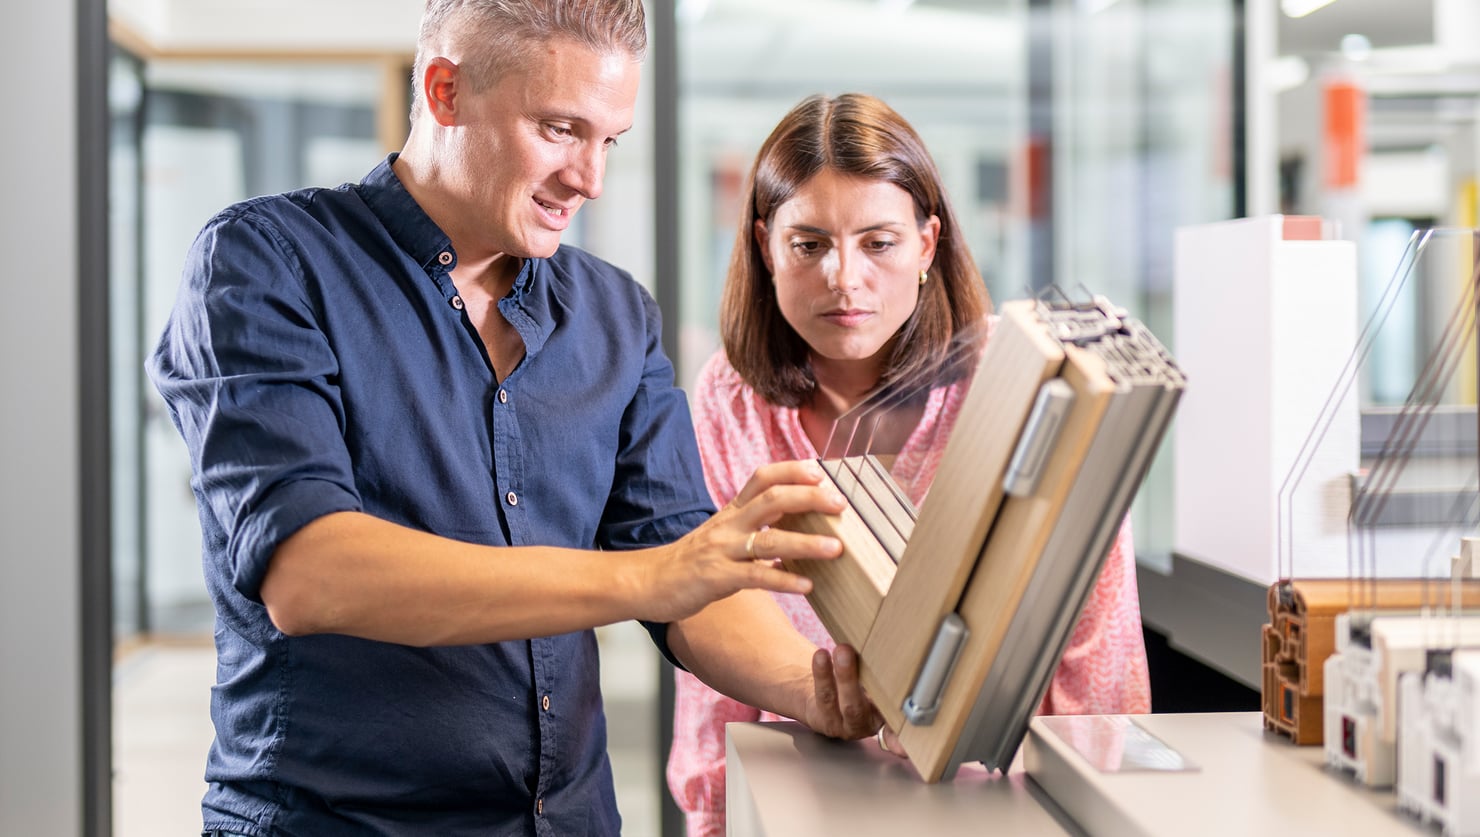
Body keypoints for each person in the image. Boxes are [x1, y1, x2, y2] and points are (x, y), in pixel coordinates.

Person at [146, 3, 886, 834]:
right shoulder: (267, 263)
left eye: (610, 140)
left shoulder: (615, 315)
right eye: (561, 128)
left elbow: (685, 572)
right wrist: (657, 575)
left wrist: (811, 686)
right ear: (446, 91)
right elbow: (313, 572)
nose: (590, 178)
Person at [666, 92, 1153, 836]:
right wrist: (713, 818)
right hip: (802, 794)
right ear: (766, 246)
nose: (844, 278)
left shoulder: (1022, 379)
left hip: (1004, 799)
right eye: (809, 244)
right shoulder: (730, 398)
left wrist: (1100, 810)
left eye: (879, 242)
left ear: (928, 244)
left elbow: (1096, 633)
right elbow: (712, 630)